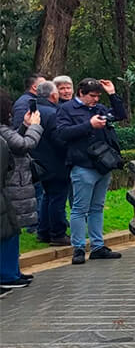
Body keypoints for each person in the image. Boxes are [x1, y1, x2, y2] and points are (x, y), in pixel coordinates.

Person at [56, 78, 127, 264]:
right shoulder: (67, 109)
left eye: (98, 96)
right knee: (79, 209)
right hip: (82, 165)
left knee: (97, 207)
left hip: (103, 164)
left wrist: (112, 94)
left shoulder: (99, 108)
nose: (95, 99)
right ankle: (78, 248)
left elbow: (120, 115)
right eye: (92, 96)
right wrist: (89, 125)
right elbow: (62, 133)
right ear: (81, 93)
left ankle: (98, 246)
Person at [0, 90, 43, 289]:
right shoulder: (2, 130)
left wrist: (25, 126)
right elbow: (24, 145)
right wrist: (34, 127)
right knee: (8, 231)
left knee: (13, 230)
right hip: (11, 187)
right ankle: (8, 274)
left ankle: (13, 270)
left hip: (14, 186)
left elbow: (14, 142)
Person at [32, 81, 70, 246]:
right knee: (57, 198)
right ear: (53, 95)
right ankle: (58, 233)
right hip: (56, 162)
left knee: (47, 196)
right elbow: (59, 140)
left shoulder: (33, 110)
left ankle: (43, 231)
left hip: (39, 162)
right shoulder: (54, 113)